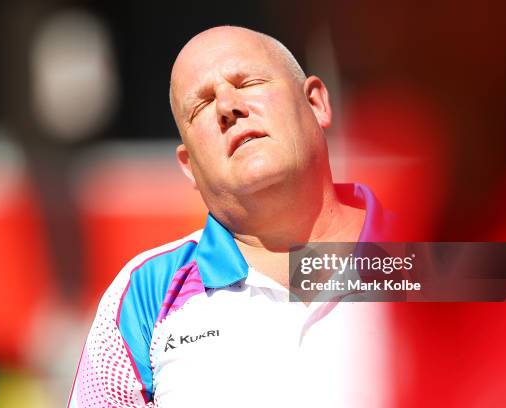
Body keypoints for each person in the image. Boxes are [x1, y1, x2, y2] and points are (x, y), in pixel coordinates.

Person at [68, 26, 394, 408]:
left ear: (316, 102)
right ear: (188, 166)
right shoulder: (143, 296)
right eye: (202, 106)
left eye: (248, 82)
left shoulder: (450, 259)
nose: (227, 107)